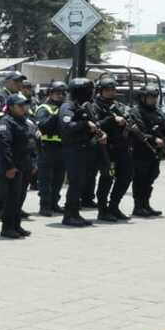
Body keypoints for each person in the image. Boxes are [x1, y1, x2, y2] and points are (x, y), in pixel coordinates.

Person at [89, 76, 134, 223]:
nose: (111, 92)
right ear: (100, 91)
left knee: (126, 175)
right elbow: (95, 124)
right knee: (107, 178)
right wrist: (112, 120)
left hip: (122, 147)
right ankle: (103, 210)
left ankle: (114, 206)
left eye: (113, 89)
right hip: (106, 149)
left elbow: (130, 118)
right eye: (108, 90)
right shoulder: (94, 106)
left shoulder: (118, 105)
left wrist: (127, 120)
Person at [58, 78, 101, 227]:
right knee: (75, 183)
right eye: (90, 91)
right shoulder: (67, 107)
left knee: (81, 182)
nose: (92, 94)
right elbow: (67, 126)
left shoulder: (83, 106)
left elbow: (94, 122)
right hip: (73, 150)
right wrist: (85, 124)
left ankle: (75, 213)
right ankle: (69, 215)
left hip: (83, 150)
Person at [130, 84, 165, 217]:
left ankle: (146, 205)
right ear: (143, 98)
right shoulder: (136, 112)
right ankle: (138, 207)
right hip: (141, 151)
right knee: (140, 179)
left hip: (155, 152)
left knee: (151, 177)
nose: (154, 99)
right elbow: (139, 132)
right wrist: (154, 139)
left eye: (155, 97)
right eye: (151, 97)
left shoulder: (157, 111)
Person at [0, 94, 33, 239]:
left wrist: (32, 164)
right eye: (20, 105)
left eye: (25, 105)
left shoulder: (23, 120)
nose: (24, 108)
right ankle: (7, 227)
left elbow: (30, 141)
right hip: (13, 166)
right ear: (11, 107)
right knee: (11, 198)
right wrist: (9, 166)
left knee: (20, 197)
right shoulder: (6, 121)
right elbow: (4, 145)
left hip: (24, 164)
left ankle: (16, 225)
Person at [33, 82, 67, 217]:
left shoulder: (65, 107)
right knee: (46, 179)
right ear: (50, 93)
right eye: (57, 93)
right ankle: (45, 206)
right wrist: (56, 115)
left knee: (59, 179)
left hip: (62, 147)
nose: (60, 96)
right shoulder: (44, 108)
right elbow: (42, 126)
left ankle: (54, 204)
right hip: (47, 147)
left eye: (62, 93)